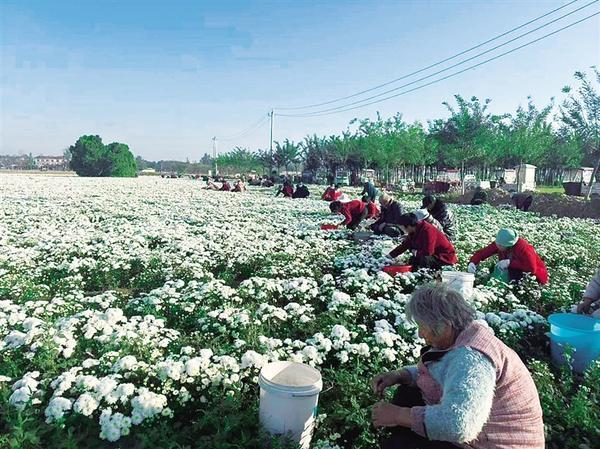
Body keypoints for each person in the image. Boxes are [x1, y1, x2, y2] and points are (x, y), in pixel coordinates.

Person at [372, 284, 544, 449]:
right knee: (408, 392)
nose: (420, 334)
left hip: (495, 444)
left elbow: (459, 425)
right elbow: (440, 375)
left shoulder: (471, 358)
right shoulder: (465, 334)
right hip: (482, 434)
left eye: (422, 327)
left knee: (402, 440)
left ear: (445, 326)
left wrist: (398, 415)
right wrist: (400, 375)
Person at [468, 228, 548, 284]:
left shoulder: (524, 248)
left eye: (500, 245)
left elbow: (531, 268)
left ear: (509, 245)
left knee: (513, 276)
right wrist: (472, 262)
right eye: (497, 244)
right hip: (513, 270)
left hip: (534, 277)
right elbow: (483, 253)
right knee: (493, 269)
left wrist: (510, 263)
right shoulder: (500, 243)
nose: (497, 246)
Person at [388, 213, 457, 271]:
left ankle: (425, 278)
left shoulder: (427, 230)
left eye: (402, 228)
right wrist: (390, 256)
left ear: (408, 226)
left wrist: (415, 252)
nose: (402, 230)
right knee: (413, 260)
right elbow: (405, 245)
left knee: (423, 259)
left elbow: (428, 252)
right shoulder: (414, 230)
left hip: (445, 257)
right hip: (434, 255)